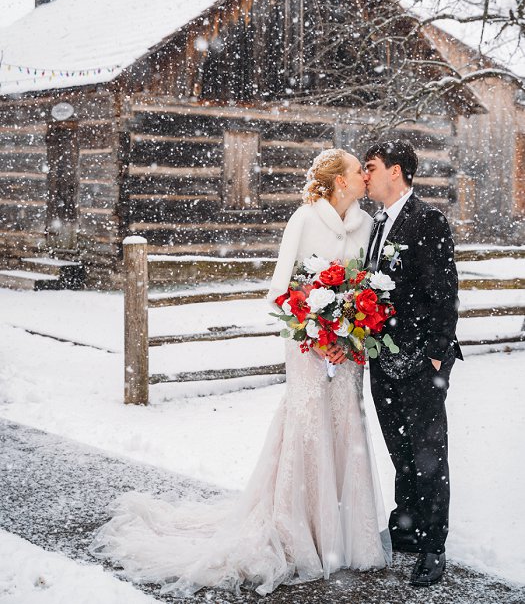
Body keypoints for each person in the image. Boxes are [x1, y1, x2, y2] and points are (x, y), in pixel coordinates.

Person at [90, 148, 391, 597]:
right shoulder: (304, 220)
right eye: (356, 171)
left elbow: (368, 284)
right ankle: (299, 530)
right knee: (307, 428)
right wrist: (315, 320)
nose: (364, 177)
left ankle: (348, 535)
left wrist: (352, 322)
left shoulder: (367, 226)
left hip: (349, 352)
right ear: (338, 181)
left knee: (347, 425)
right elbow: (277, 292)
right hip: (308, 346)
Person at [359, 139, 461, 587]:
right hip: (383, 361)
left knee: (428, 457)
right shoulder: (377, 223)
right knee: (400, 452)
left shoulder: (428, 220)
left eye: (371, 167)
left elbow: (445, 292)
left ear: (395, 172)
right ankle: (406, 528)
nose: (365, 175)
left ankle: (433, 546)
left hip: (421, 361)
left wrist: (437, 352)